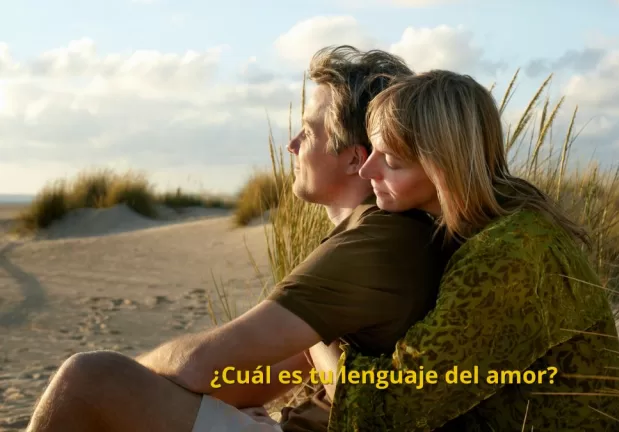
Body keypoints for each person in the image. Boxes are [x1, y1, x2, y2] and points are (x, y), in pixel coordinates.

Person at [26, 46, 458, 432]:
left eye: (308, 132)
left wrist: (130, 383)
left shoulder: (376, 243)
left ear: (353, 159)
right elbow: (266, 374)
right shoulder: (374, 235)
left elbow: (199, 366)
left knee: (88, 379)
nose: (292, 145)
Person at [309, 70, 619, 431]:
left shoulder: (506, 256)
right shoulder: (498, 223)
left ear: (445, 167)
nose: (367, 170)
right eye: (373, 150)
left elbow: (391, 407)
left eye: (392, 160)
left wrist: (315, 328)